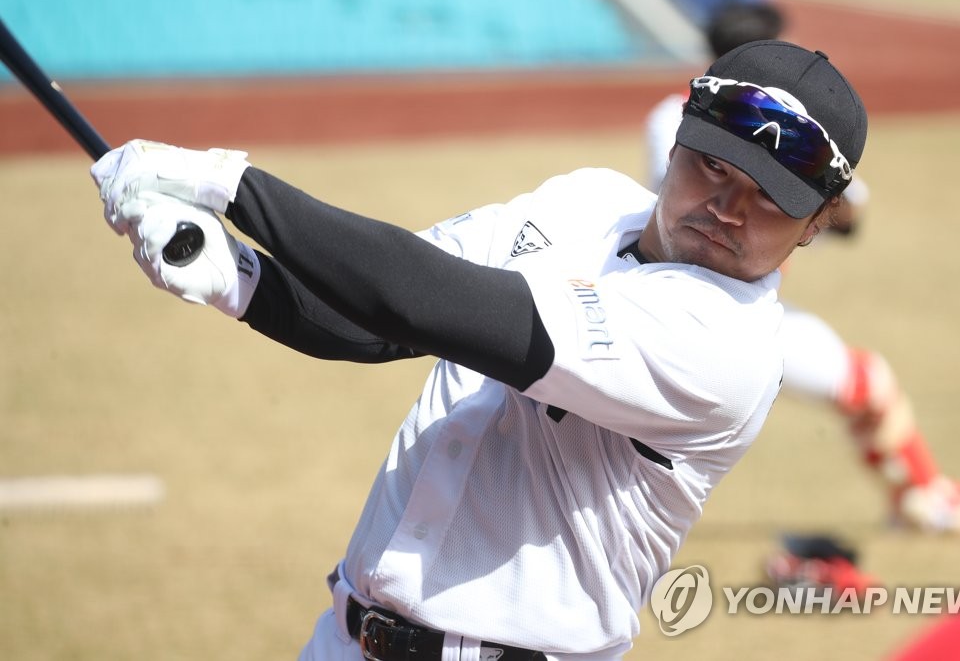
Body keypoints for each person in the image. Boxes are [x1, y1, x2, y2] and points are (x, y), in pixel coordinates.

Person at [92, 41, 867, 659]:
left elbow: (431, 300)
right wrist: (235, 275)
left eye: (770, 198)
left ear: (817, 220)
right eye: (714, 167)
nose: (728, 210)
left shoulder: (723, 344)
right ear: (675, 146)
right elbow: (378, 321)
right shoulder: (587, 200)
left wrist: (229, 183)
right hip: (342, 635)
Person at [644, 0, 960, 537]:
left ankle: (922, 499)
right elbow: (851, 205)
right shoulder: (792, 132)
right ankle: (924, 497)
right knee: (867, 383)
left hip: (691, 297)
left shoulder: (671, 112)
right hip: (705, 309)